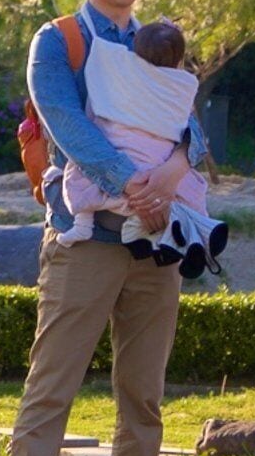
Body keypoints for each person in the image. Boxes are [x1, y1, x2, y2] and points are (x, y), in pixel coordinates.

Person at [10, 0, 203, 456]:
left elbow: (189, 123)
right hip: (87, 235)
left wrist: (167, 179)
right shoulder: (59, 40)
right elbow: (67, 125)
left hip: (157, 235)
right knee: (54, 380)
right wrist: (132, 184)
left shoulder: (159, 40)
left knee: (144, 390)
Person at [60, 19, 231, 270]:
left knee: (80, 171)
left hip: (123, 151)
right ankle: (198, 231)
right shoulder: (181, 85)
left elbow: (103, 52)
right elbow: (188, 124)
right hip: (159, 159)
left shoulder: (121, 70)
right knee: (191, 189)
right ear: (178, 59)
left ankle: (82, 224)